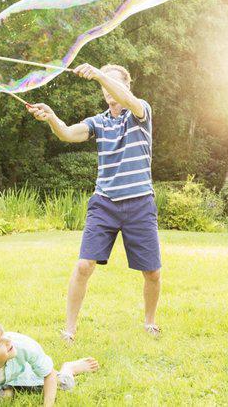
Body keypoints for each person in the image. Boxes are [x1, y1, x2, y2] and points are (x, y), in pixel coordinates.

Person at [27, 63, 162, 342]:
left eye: (114, 83)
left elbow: (129, 101)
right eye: (104, 85)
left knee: (152, 272)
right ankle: (69, 329)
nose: (108, 90)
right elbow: (67, 133)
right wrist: (52, 117)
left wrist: (100, 74)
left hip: (139, 202)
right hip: (105, 203)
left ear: (126, 85)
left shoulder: (140, 111)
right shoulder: (98, 122)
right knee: (83, 266)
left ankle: (149, 322)